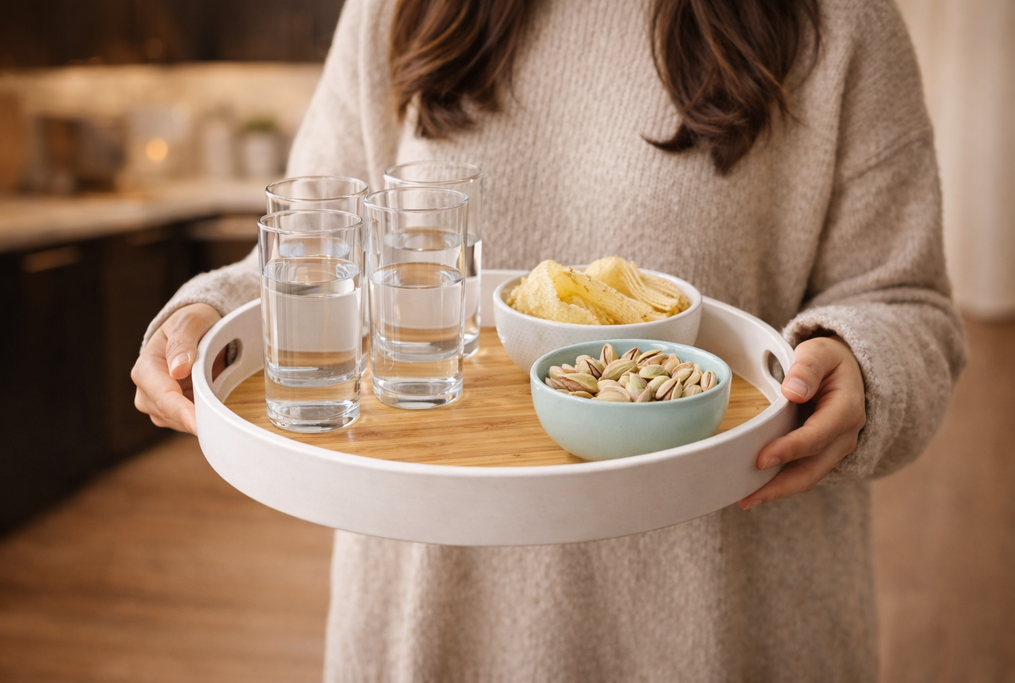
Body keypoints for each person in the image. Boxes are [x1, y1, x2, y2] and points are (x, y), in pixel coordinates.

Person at [132, 0, 968, 679]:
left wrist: (861, 360)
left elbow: (903, 300)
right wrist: (203, 312)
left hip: (723, 627)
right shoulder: (394, 11)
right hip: (432, 622)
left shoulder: (843, 21)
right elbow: (307, 250)